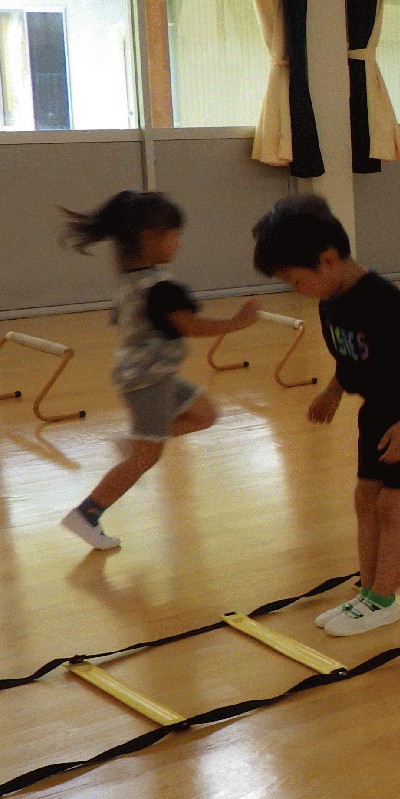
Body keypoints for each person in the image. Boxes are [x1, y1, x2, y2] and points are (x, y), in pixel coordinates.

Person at [252, 196, 400, 636]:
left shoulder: (379, 298)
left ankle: (384, 601)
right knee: (365, 498)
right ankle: (367, 594)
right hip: (379, 409)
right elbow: (352, 357)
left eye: (296, 280)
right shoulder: (331, 300)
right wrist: (333, 390)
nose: (296, 290)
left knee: (390, 504)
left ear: (328, 259)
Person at [57, 190, 259, 550]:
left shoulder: (131, 280)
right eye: (175, 235)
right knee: (147, 456)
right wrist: (237, 323)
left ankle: (133, 443)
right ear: (151, 238)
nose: (179, 243)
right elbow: (189, 326)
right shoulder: (159, 288)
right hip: (146, 381)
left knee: (205, 414)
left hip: (155, 374)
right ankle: (86, 514)